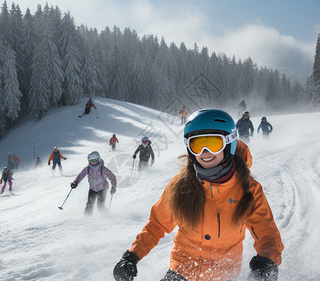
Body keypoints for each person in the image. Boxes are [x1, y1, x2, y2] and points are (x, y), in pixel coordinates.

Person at [113, 109, 283, 281]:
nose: (205, 152)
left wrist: (266, 262)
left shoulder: (248, 189)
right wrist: (132, 256)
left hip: (223, 273)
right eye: (197, 144)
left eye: (213, 143)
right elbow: (157, 224)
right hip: (182, 268)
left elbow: (267, 234)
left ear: (229, 143)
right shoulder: (181, 185)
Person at [70, 151, 117, 216]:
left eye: (94, 161)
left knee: (100, 205)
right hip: (92, 189)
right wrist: (75, 182)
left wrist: (113, 187)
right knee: (89, 205)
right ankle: (86, 219)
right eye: (90, 161)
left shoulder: (103, 169)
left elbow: (112, 177)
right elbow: (81, 175)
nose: (92, 163)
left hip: (102, 189)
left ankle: (107, 216)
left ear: (98, 159)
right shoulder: (88, 168)